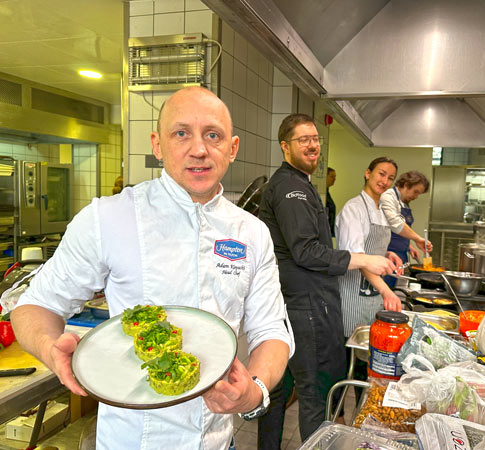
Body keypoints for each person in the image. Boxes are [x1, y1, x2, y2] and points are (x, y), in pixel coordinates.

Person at [11, 87, 294, 450]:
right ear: (157, 145)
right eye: (181, 133)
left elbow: (271, 330)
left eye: (213, 135)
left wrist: (254, 392)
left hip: (219, 442)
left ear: (232, 148)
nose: (199, 149)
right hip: (131, 442)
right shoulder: (108, 218)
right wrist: (51, 350)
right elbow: (34, 306)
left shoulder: (251, 232)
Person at [258, 114, 398, 449]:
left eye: (315, 138)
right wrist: (364, 259)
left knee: (279, 389)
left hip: (291, 302)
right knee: (314, 392)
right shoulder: (291, 188)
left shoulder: (298, 183)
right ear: (284, 146)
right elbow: (306, 252)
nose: (312, 145)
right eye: (302, 139)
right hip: (305, 305)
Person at [336, 157, 404, 343]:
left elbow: (371, 247)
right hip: (352, 296)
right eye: (381, 174)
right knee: (351, 347)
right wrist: (386, 291)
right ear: (368, 173)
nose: (385, 181)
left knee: (369, 346)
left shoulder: (381, 209)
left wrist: (387, 254)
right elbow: (357, 257)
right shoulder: (354, 209)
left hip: (373, 295)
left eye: (390, 178)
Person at [380, 171, 432, 288]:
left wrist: (409, 246)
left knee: (396, 289)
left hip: (401, 255)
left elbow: (401, 230)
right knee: (385, 291)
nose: (416, 197)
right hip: (388, 255)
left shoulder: (404, 202)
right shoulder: (388, 197)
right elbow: (395, 224)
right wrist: (418, 239)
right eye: (415, 192)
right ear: (406, 184)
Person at [326, 167, 336, 235]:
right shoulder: (322, 194)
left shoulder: (327, 193)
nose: (334, 179)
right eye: (332, 176)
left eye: (335, 177)